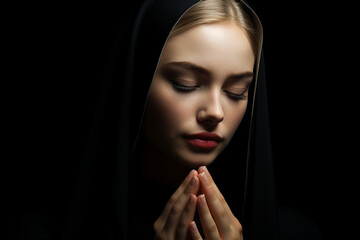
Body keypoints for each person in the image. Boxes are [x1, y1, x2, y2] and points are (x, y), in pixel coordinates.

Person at [9, 0, 322, 239]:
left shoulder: (297, 233)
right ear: (138, 81)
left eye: (237, 91)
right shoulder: (42, 232)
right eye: (186, 84)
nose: (215, 111)